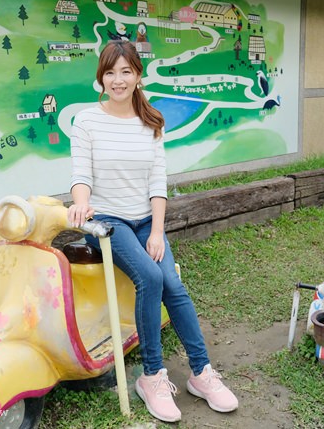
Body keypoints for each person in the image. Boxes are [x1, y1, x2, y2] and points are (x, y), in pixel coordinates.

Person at [68, 41, 238, 423]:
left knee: (172, 284)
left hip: (146, 219)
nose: (118, 79)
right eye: (110, 72)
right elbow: (81, 175)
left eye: (126, 71)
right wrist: (81, 202)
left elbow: (157, 182)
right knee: (149, 276)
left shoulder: (152, 122)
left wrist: (157, 231)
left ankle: (201, 372)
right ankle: (152, 376)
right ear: (101, 76)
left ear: (138, 76)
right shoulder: (86, 121)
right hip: (108, 220)